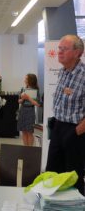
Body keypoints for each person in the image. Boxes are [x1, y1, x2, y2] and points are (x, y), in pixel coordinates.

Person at [46, 34, 85, 195]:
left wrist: (77, 132)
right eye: (59, 48)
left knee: (72, 177)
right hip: (58, 127)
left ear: (77, 53)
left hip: (75, 130)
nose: (59, 52)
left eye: (64, 49)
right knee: (52, 173)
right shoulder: (63, 72)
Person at [17, 74, 40, 146]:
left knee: (29, 132)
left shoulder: (36, 90)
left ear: (31, 80)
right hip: (22, 110)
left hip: (30, 111)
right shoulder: (23, 89)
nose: (25, 80)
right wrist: (23, 98)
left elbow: (38, 104)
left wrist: (28, 98)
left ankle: (30, 150)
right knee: (23, 131)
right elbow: (19, 101)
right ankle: (25, 149)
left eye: (26, 79)